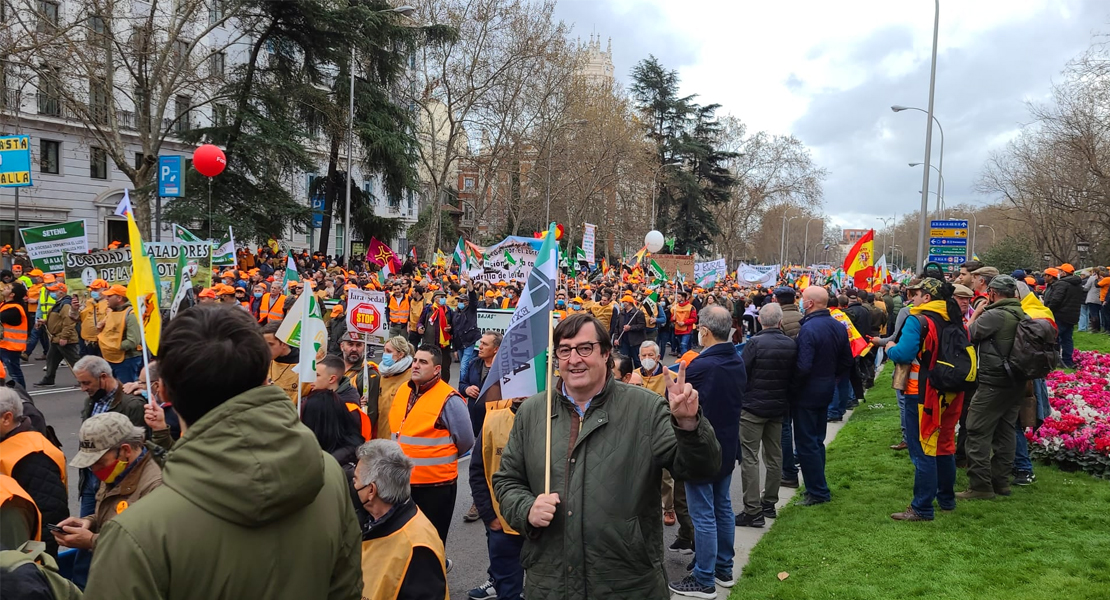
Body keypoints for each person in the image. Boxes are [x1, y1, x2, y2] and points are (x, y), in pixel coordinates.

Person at [82, 304, 363, 599]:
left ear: (163, 392)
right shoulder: (329, 474)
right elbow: (346, 589)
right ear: (263, 378)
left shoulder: (136, 535)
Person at [492, 313, 721, 600]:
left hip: (628, 583)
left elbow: (701, 469)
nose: (574, 359)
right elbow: (507, 481)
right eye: (565, 350)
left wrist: (689, 426)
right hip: (551, 583)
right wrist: (526, 508)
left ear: (605, 354)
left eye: (585, 348)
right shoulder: (533, 412)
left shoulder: (645, 408)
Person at [668, 305, 745, 597]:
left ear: (705, 331)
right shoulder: (736, 359)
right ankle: (723, 568)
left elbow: (678, 404)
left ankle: (703, 579)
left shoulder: (700, 366)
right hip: (726, 446)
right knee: (721, 507)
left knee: (704, 514)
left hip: (702, 449)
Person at [884, 278, 964, 521]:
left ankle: (922, 508)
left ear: (927, 297)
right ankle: (947, 500)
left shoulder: (917, 320)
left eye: (916, 294)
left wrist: (889, 348)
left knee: (923, 449)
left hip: (922, 393)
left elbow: (904, 353)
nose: (912, 298)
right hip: (952, 390)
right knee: (945, 444)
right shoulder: (955, 318)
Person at [387, 345, 474, 551]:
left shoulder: (449, 399)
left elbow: (466, 441)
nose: (416, 365)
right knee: (403, 544)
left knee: (430, 545)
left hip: (435, 488)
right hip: (401, 483)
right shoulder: (403, 391)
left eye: (423, 362)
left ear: (436, 369)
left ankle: (433, 579)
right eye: (415, 360)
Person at [52, 413, 163, 553]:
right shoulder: (118, 471)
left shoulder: (156, 484)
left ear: (125, 450)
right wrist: (90, 522)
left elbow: (150, 544)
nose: (94, 470)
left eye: (99, 462)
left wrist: (92, 540)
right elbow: (113, 514)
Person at [959, 275, 1027, 500]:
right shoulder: (1022, 313)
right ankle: (1001, 483)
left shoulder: (995, 315)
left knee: (976, 430)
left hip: (993, 382)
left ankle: (980, 487)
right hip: (1015, 383)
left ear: (993, 294)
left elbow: (968, 334)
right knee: (1006, 432)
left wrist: (977, 313)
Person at [356, 439, 447, 600]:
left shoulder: (417, 548)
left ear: (371, 490)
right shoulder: (373, 521)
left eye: (355, 480)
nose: (353, 484)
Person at [791, 287, 854, 506]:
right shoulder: (838, 326)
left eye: (803, 299)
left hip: (808, 392)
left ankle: (817, 491)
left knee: (807, 443)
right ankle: (817, 487)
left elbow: (803, 366)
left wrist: (794, 387)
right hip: (826, 388)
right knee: (817, 441)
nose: (800, 302)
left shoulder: (809, 329)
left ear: (810, 304)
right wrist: (830, 377)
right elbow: (847, 360)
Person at [737, 303, 795, 528]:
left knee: (750, 458)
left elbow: (743, 372)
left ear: (760, 321)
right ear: (780, 321)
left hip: (752, 408)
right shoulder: (790, 344)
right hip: (778, 407)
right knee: (774, 455)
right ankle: (769, 503)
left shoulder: (755, 343)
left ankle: (752, 510)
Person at [469, 394, 525, 600]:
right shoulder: (493, 419)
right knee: (508, 590)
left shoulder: (553, 418)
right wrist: (488, 515)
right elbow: (477, 470)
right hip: (502, 524)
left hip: (543, 526)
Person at [0, 388, 67, 556]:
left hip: (22, 559)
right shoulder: (8, 443)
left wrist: (33, 563)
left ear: (6, 418)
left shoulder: (34, 455)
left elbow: (51, 516)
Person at [302, 355, 366, 469]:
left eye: (317, 375)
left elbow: (350, 444)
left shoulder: (348, 407)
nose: (311, 380)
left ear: (332, 379)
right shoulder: (315, 397)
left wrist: (327, 462)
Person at [35, 282, 80, 387]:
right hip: (56, 338)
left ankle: (85, 379)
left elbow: (69, 322)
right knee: (51, 358)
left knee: (75, 361)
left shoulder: (65, 304)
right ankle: (49, 378)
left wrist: (64, 337)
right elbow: (58, 320)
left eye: (53, 291)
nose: (51, 293)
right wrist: (45, 321)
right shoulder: (60, 303)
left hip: (63, 338)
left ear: (60, 292)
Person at [96, 284, 143, 384]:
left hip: (127, 360)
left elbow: (133, 341)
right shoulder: (112, 312)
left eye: (109, 296)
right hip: (112, 358)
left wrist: (113, 346)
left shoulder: (131, 314)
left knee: (126, 390)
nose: (106, 299)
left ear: (119, 298)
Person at [1042, 265, 1083, 369]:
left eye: (1060, 271)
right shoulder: (1078, 284)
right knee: (1067, 339)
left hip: (1060, 315)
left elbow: (1056, 299)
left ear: (1064, 273)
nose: (1058, 272)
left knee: (1054, 338)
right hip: (1072, 315)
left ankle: (1054, 360)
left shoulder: (1062, 284)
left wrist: (1048, 310)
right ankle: (1068, 361)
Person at [376, 336, 415, 439]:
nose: (385, 354)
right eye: (384, 350)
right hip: (381, 431)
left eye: (388, 351)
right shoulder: (381, 373)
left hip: (399, 436)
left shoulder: (411, 376)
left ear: (400, 354)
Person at [261, 321, 304, 405]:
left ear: (284, 343)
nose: (265, 348)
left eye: (270, 344)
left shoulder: (303, 366)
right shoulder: (262, 363)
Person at [419, 291, 454, 383]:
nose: (443, 299)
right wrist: (420, 327)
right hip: (430, 343)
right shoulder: (428, 309)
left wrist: (450, 328)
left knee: (445, 367)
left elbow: (453, 324)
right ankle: (429, 383)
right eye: (440, 297)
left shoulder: (449, 310)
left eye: (444, 297)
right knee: (430, 366)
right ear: (435, 298)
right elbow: (420, 322)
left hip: (444, 345)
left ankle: (444, 385)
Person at [451, 282, 481, 388]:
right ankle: (469, 382)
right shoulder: (455, 314)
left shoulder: (471, 311)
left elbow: (473, 299)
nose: (459, 302)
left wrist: (469, 284)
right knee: (466, 365)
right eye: (458, 301)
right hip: (459, 343)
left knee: (463, 365)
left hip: (469, 341)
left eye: (462, 301)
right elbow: (454, 331)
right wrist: (454, 348)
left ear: (467, 302)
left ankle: (461, 387)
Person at [0, 283, 29, 388]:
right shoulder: (5, 304)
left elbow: (2, 317)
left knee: (15, 373)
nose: (3, 288)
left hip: (11, 346)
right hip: (4, 345)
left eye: (7, 288)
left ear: (12, 294)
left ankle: (22, 394)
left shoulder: (14, 309)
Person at [78, 279, 110, 357]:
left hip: (103, 343)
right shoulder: (88, 302)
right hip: (88, 342)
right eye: (92, 290)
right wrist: (74, 310)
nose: (93, 292)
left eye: (96, 289)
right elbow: (77, 318)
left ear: (105, 290)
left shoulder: (110, 304)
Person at [616, 294, 647, 370]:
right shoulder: (621, 313)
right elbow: (617, 327)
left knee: (637, 361)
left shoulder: (638, 313)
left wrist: (631, 328)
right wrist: (616, 338)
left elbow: (642, 326)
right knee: (625, 361)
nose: (622, 303)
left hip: (635, 342)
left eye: (624, 302)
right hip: (624, 341)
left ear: (629, 303)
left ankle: (640, 375)